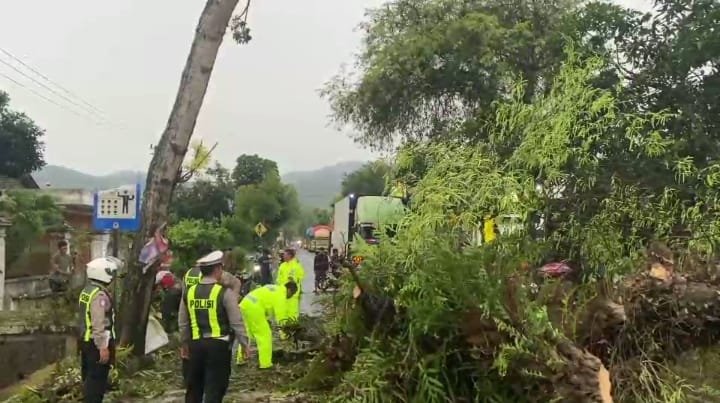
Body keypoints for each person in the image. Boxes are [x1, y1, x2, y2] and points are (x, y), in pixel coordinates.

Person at [178, 250, 250, 403]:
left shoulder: (189, 292)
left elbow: (183, 322)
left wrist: (184, 344)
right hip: (219, 346)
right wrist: (245, 344)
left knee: (194, 387)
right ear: (217, 270)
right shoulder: (225, 293)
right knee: (215, 387)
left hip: (195, 345)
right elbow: (236, 321)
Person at [78, 257, 121, 403]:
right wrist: (103, 347)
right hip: (96, 343)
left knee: (89, 378)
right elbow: (98, 322)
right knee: (96, 381)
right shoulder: (99, 295)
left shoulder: (87, 291)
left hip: (85, 340)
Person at [237, 282, 298, 368]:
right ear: (289, 290)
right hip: (254, 308)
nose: (290, 297)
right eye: (292, 294)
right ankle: (265, 364)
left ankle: (241, 358)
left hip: (244, 304)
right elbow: (281, 318)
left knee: (246, 334)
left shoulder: (274, 288)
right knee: (264, 335)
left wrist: (267, 319)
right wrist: (284, 334)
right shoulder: (281, 295)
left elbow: (267, 303)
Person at [276, 248, 305, 321]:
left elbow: (301, 276)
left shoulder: (296, 265)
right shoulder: (282, 265)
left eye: (285, 255)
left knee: (292, 313)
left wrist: (294, 279)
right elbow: (279, 278)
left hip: (292, 294)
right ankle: (283, 329)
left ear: (290, 256)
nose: (283, 256)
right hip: (282, 293)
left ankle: (293, 329)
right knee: (283, 312)